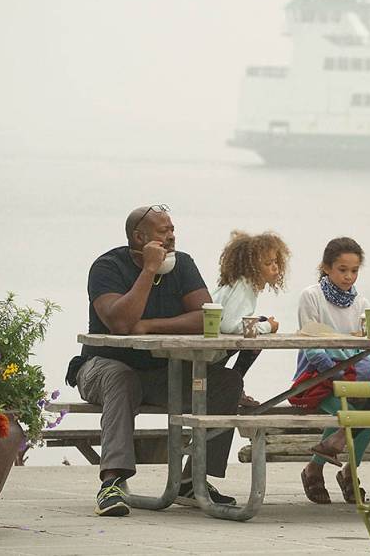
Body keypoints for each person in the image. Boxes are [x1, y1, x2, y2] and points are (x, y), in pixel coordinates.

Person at [66, 204, 243, 517]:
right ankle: (113, 482)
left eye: (173, 230)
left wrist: (150, 326)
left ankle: (193, 479)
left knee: (226, 382)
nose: (172, 237)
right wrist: (149, 269)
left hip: (162, 372)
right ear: (139, 236)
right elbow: (119, 323)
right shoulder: (107, 267)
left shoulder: (182, 264)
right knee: (122, 378)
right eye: (164, 232)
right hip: (101, 368)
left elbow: (206, 318)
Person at [293, 237, 370, 505]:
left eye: (354, 270)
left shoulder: (361, 303)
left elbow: (365, 349)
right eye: (342, 269)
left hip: (353, 376)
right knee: (352, 413)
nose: (348, 276)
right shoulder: (311, 296)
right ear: (327, 267)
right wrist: (337, 374)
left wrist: (356, 375)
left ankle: (348, 471)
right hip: (317, 377)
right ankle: (315, 468)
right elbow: (312, 347)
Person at [212, 230, 290, 407]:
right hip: (208, 354)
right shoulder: (243, 287)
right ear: (251, 268)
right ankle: (235, 385)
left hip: (213, 349)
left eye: (276, 261)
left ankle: (234, 383)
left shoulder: (240, 285)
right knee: (260, 332)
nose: (275, 267)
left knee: (260, 322)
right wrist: (267, 327)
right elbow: (230, 326)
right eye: (268, 263)